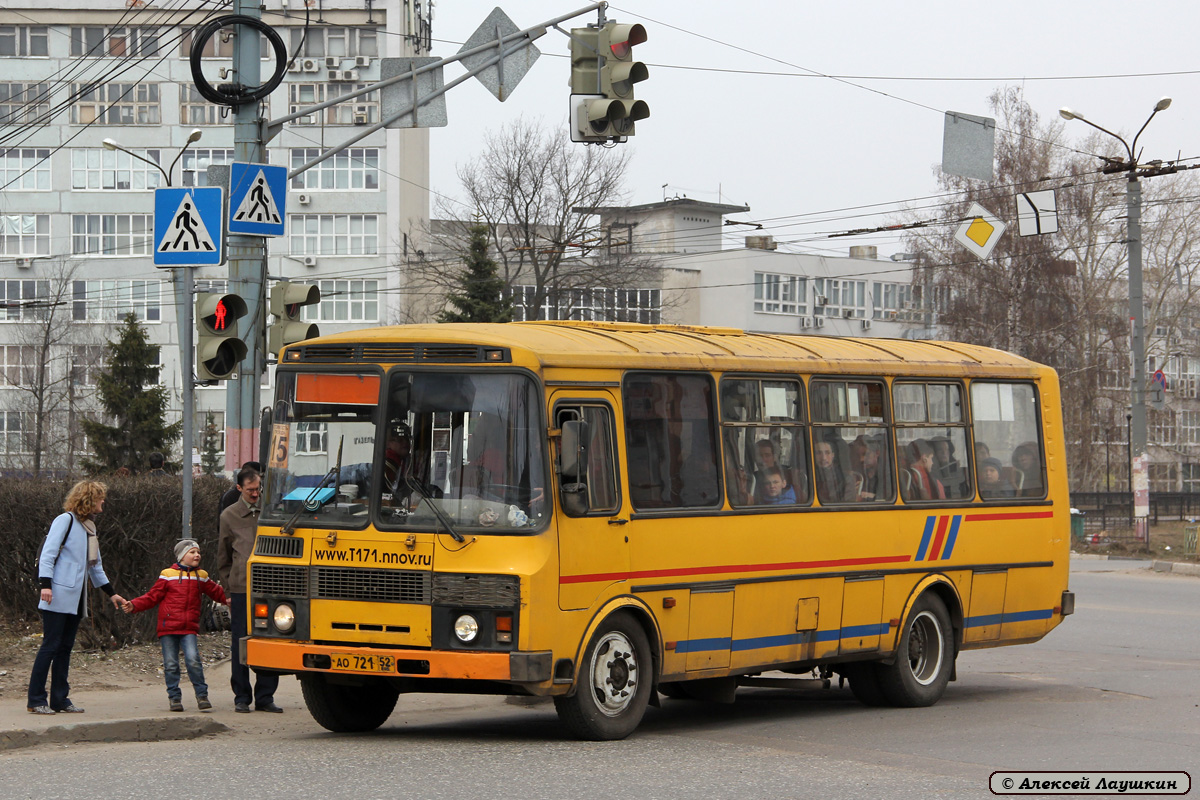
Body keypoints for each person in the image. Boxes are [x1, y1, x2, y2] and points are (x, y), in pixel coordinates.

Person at [27, 480, 127, 715]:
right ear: (88, 499)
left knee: (65, 647)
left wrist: (111, 593)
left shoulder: (89, 527)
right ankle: (36, 699)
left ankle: (60, 699)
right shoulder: (66, 520)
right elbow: (49, 554)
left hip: (75, 597)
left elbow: (95, 566)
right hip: (57, 593)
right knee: (50, 646)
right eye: (100, 497)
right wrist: (46, 585)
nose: (103, 501)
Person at [122, 539, 229, 712]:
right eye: (192, 552)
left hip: (189, 628)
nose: (197, 555)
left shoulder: (201, 576)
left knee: (193, 660)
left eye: (198, 552)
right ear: (181, 556)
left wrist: (233, 598)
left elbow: (217, 593)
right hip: (168, 628)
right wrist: (134, 605)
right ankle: (174, 698)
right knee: (171, 664)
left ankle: (202, 696)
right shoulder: (167, 574)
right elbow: (152, 596)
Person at [217, 468, 281, 713]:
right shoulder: (229, 516)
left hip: (270, 587)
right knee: (240, 642)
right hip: (242, 589)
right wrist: (228, 589)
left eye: (258, 489)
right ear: (239, 489)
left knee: (270, 640)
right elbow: (223, 556)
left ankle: (266, 696)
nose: (256, 494)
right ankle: (241, 697)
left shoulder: (271, 512)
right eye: (251, 490)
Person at [814, 437, 854, 503]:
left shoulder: (846, 478)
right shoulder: (805, 476)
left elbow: (847, 504)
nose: (823, 458)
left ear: (833, 455)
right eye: (818, 453)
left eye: (827, 453)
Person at [851, 435, 885, 502]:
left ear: (877, 453)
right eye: (859, 455)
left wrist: (871, 496)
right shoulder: (858, 473)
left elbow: (890, 497)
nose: (861, 459)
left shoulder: (889, 473)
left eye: (866, 454)